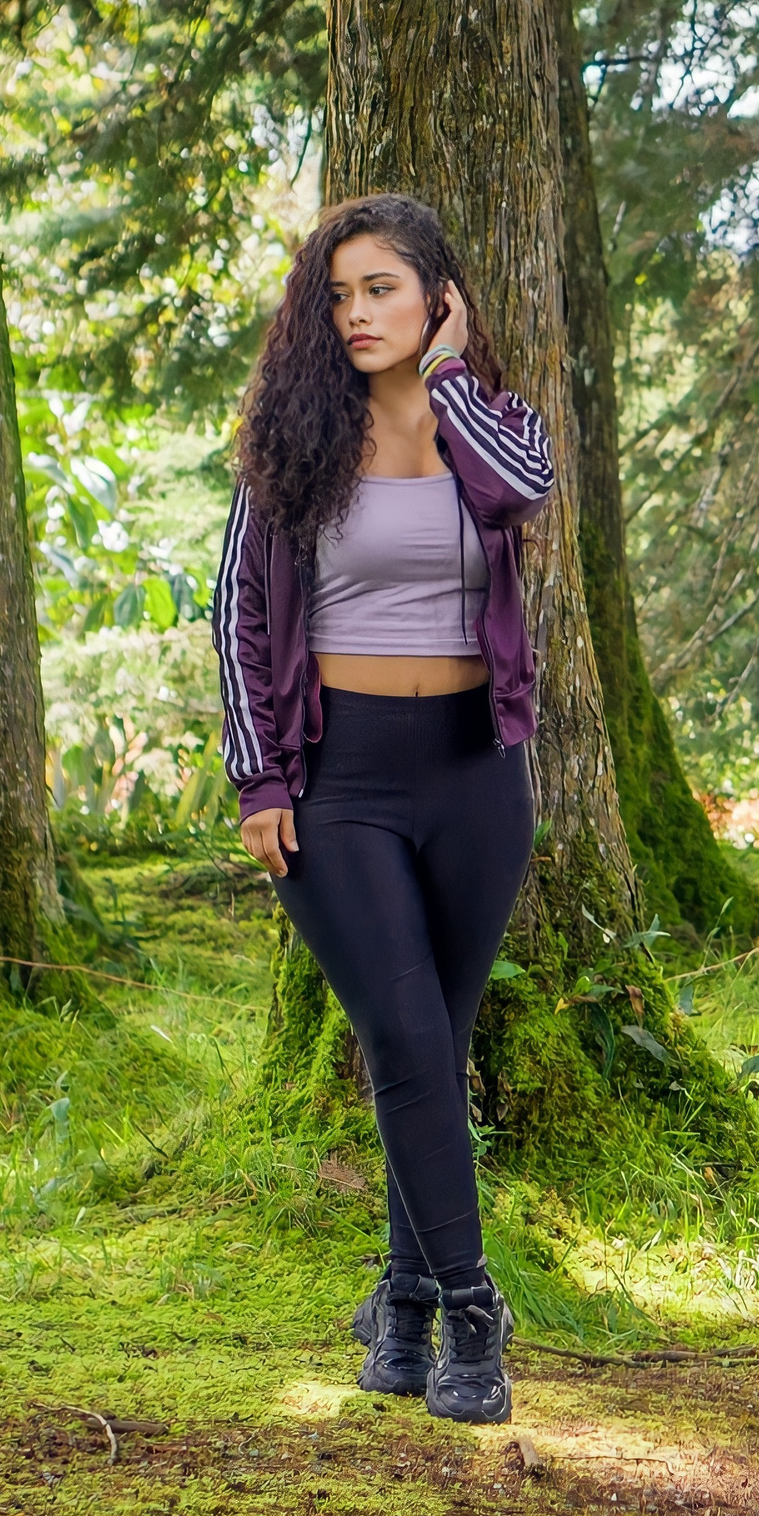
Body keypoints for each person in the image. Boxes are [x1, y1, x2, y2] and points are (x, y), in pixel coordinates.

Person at [214, 192, 551, 1426]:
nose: (356, 314)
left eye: (382, 291)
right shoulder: (294, 435)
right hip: (336, 776)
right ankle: (472, 1313)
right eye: (339, 294)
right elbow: (238, 613)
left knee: (434, 1050)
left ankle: (399, 1306)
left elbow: (521, 495)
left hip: (476, 775)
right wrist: (260, 780)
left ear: (437, 299)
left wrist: (452, 379)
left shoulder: (487, 422)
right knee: (405, 1039)